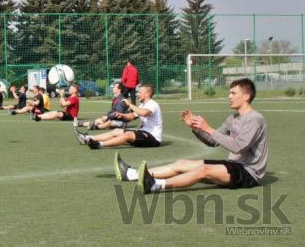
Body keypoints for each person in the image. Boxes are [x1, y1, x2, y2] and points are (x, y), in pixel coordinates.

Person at [114, 78, 268, 194]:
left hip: (248, 173)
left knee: (204, 170)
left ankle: (154, 185)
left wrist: (207, 128)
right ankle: (131, 174)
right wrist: (196, 128)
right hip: (233, 166)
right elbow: (212, 142)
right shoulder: (232, 118)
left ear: (246, 96)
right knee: (182, 163)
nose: (229, 96)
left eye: (233, 93)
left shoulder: (255, 119)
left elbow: (238, 146)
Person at [75, 84, 162, 149]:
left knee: (128, 134)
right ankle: (88, 138)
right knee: (117, 131)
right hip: (143, 134)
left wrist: (130, 104)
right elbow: (131, 116)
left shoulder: (152, 104)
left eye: (140, 92)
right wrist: (122, 115)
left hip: (153, 139)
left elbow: (143, 113)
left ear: (148, 94)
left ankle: (99, 145)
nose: (137, 94)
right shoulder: (143, 105)